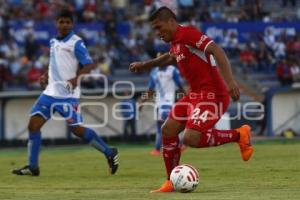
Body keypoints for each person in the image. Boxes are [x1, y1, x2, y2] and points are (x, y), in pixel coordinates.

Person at [129, 7, 253, 193]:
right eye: (154, 29)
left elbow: (216, 50)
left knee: (190, 138)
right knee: (168, 130)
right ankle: (171, 181)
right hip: (195, 95)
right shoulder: (176, 43)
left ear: (171, 22)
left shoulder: (188, 34)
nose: (157, 33)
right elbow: (170, 58)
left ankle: (240, 135)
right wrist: (145, 65)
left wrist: (230, 82)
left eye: (159, 27)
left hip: (214, 95)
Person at [12, 9, 119, 176]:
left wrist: (77, 79)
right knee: (33, 125)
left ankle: (109, 152)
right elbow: (54, 62)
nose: (64, 25)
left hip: (68, 96)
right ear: (57, 23)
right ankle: (33, 167)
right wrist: (45, 75)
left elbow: (89, 65)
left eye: (67, 22)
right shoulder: (53, 41)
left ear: (72, 24)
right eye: (61, 21)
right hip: (49, 93)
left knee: (77, 131)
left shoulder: (76, 42)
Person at [140, 54, 185, 155]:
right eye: (158, 59)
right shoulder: (154, 72)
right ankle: (160, 148)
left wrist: (186, 96)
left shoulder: (172, 70)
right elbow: (149, 90)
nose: (160, 61)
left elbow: (180, 85)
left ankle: (177, 145)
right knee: (160, 127)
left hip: (168, 103)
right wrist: (142, 102)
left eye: (162, 59)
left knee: (167, 126)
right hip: (158, 104)